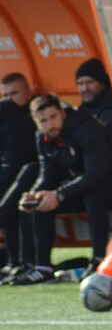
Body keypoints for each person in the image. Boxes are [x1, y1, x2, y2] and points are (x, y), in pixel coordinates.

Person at [11, 95, 112, 285]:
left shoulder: (85, 129)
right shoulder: (43, 137)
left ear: (62, 113)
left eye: (53, 117)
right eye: (43, 121)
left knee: (93, 196)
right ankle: (42, 267)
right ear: (36, 122)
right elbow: (48, 175)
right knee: (42, 201)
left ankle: (98, 261)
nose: (50, 124)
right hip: (86, 184)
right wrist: (36, 193)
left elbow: (95, 175)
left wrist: (60, 194)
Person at [0, 74, 39, 280]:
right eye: (4, 95)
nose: (8, 99)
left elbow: (15, 163)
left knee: (12, 203)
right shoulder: (6, 119)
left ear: (29, 93)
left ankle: (19, 262)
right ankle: (15, 261)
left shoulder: (26, 119)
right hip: (15, 179)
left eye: (14, 93)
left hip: (34, 178)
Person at [74, 58, 112, 127]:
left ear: (102, 83)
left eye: (90, 82)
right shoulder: (83, 108)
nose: (85, 89)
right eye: (80, 83)